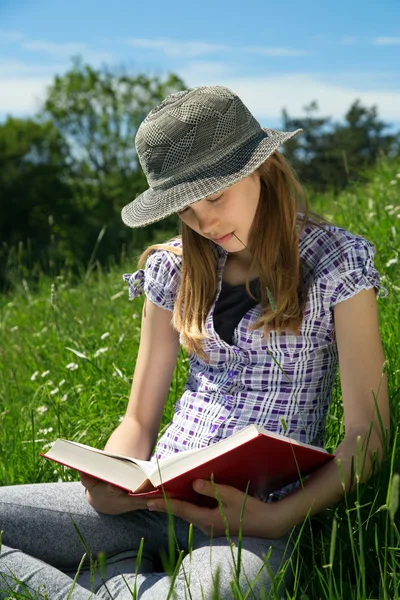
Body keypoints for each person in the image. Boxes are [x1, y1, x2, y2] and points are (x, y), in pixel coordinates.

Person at [0, 85, 390, 600]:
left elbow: (368, 435)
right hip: (152, 504)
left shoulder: (338, 264)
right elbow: (138, 421)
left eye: (214, 196)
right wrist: (114, 484)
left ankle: (116, 582)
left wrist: (277, 520)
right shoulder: (174, 268)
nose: (204, 222)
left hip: (251, 521)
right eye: (184, 208)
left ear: (261, 167)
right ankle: (125, 579)